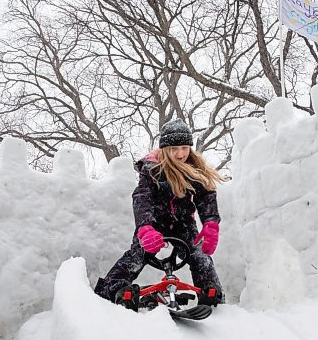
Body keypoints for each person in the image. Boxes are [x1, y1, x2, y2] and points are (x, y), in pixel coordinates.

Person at [94, 118, 225, 306]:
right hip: (154, 223)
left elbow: (206, 196)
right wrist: (145, 228)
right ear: (165, 149)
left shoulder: (195, 169)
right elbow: (142, 197)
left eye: (184, 148)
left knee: (199, 255)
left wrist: (211, 223)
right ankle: (111, 289)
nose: (180, 154)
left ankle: (212, 293)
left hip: (183, 224)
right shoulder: (152, 169)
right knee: (137, 255)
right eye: (174, 149)